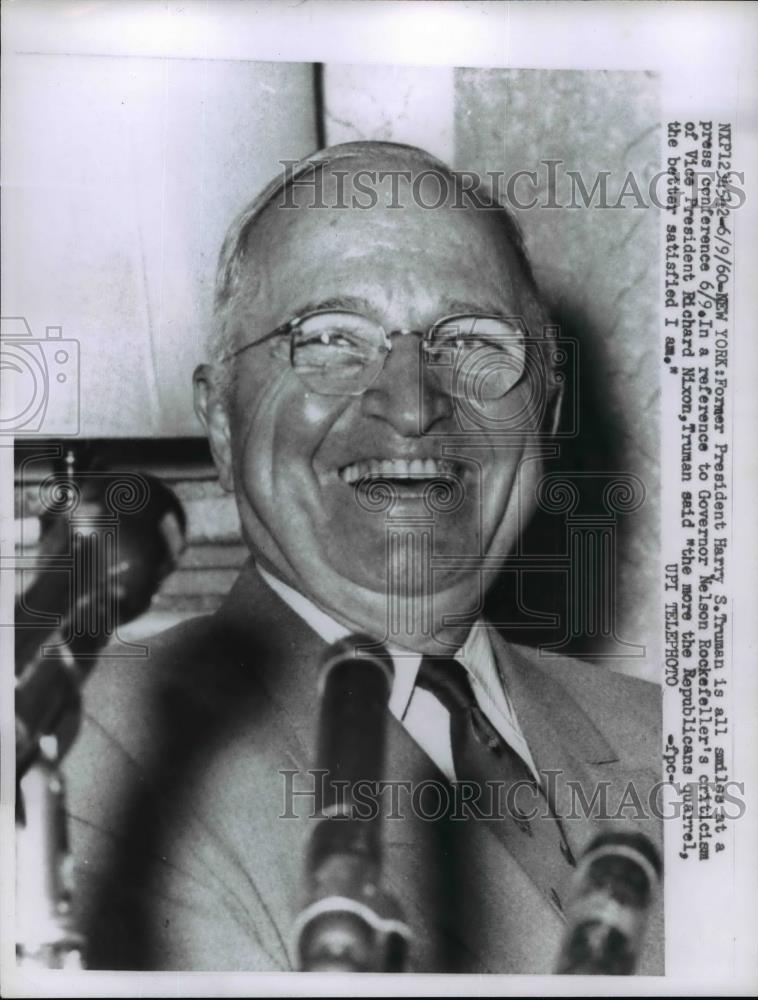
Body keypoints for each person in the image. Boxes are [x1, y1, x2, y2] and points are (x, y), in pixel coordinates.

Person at [63, 141, 662, 973]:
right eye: (334, 338)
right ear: (224, 422)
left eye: (475, 342)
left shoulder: (681, 741)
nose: (414, 404)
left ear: (546, 408)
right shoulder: (95, 757)